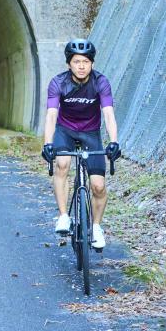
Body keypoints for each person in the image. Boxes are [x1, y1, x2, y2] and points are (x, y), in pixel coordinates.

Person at [41, 38, 120, 249]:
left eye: (86, 61)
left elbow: (109, 114)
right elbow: (51, 115)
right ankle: (64, 216)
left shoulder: (100, 82)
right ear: (69, 64)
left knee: (98, 186)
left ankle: (95, 227)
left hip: (91, 133)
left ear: (92, 63)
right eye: (77, 61)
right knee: (63, 164)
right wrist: (48, 143)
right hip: (65, 131)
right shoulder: (58, 83)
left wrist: (114, 141)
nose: (82, 66)